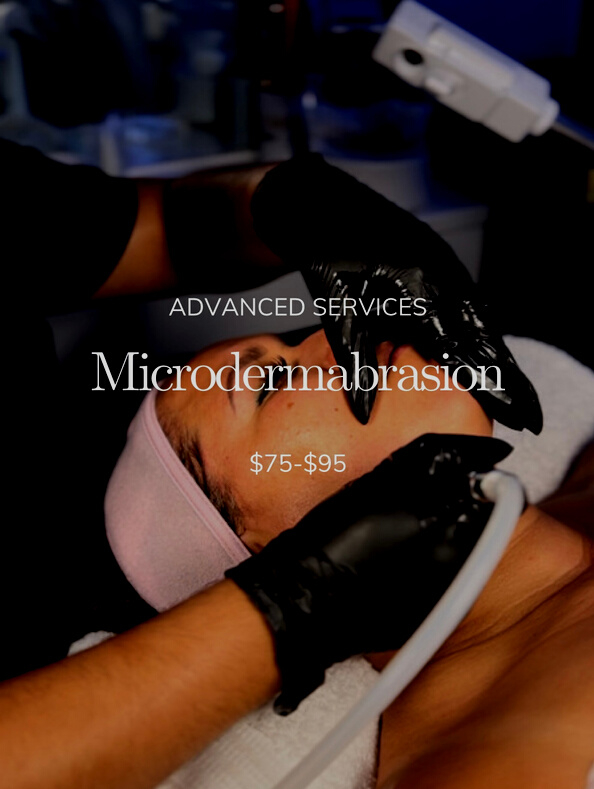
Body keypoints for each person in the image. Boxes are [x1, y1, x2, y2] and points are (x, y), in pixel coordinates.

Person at [104, 326, 594, 788]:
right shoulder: (493, 759)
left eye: (293, 340)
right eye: (270, 383)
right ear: (270, 552)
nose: (331, 335)